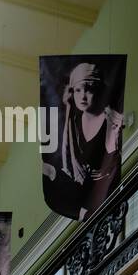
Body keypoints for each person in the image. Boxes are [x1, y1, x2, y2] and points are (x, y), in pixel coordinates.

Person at [48, 61, 123, 220]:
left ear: (99, 90)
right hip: (83, 200)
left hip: (103, 194)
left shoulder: (111, 120)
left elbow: (111, 165)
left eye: (88, 89)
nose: (82, 96)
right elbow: (66, 159)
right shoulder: (72, 122)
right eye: (78, 90)